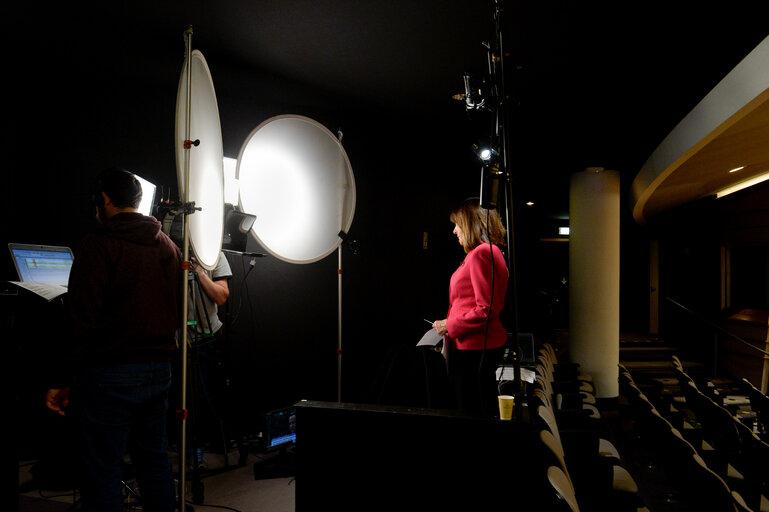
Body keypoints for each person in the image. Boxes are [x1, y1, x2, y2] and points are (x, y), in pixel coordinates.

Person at [45, 167, 183, 512]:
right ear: (138, 201)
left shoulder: (99, 244)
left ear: (103, 200)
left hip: (109, 373)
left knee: (103, 472)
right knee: (155, 464)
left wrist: (63, 379)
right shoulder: (168, 246)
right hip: (159, 371)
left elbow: (82, 319)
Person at [432, 197, 509, 416]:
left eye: (457, 224)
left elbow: (486, 308)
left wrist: (450, 324)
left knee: (471, 411)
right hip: (474, 347)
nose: (455, 231)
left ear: (470, 223)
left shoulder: (482, 253)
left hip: (473, 349)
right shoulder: (488, 252)